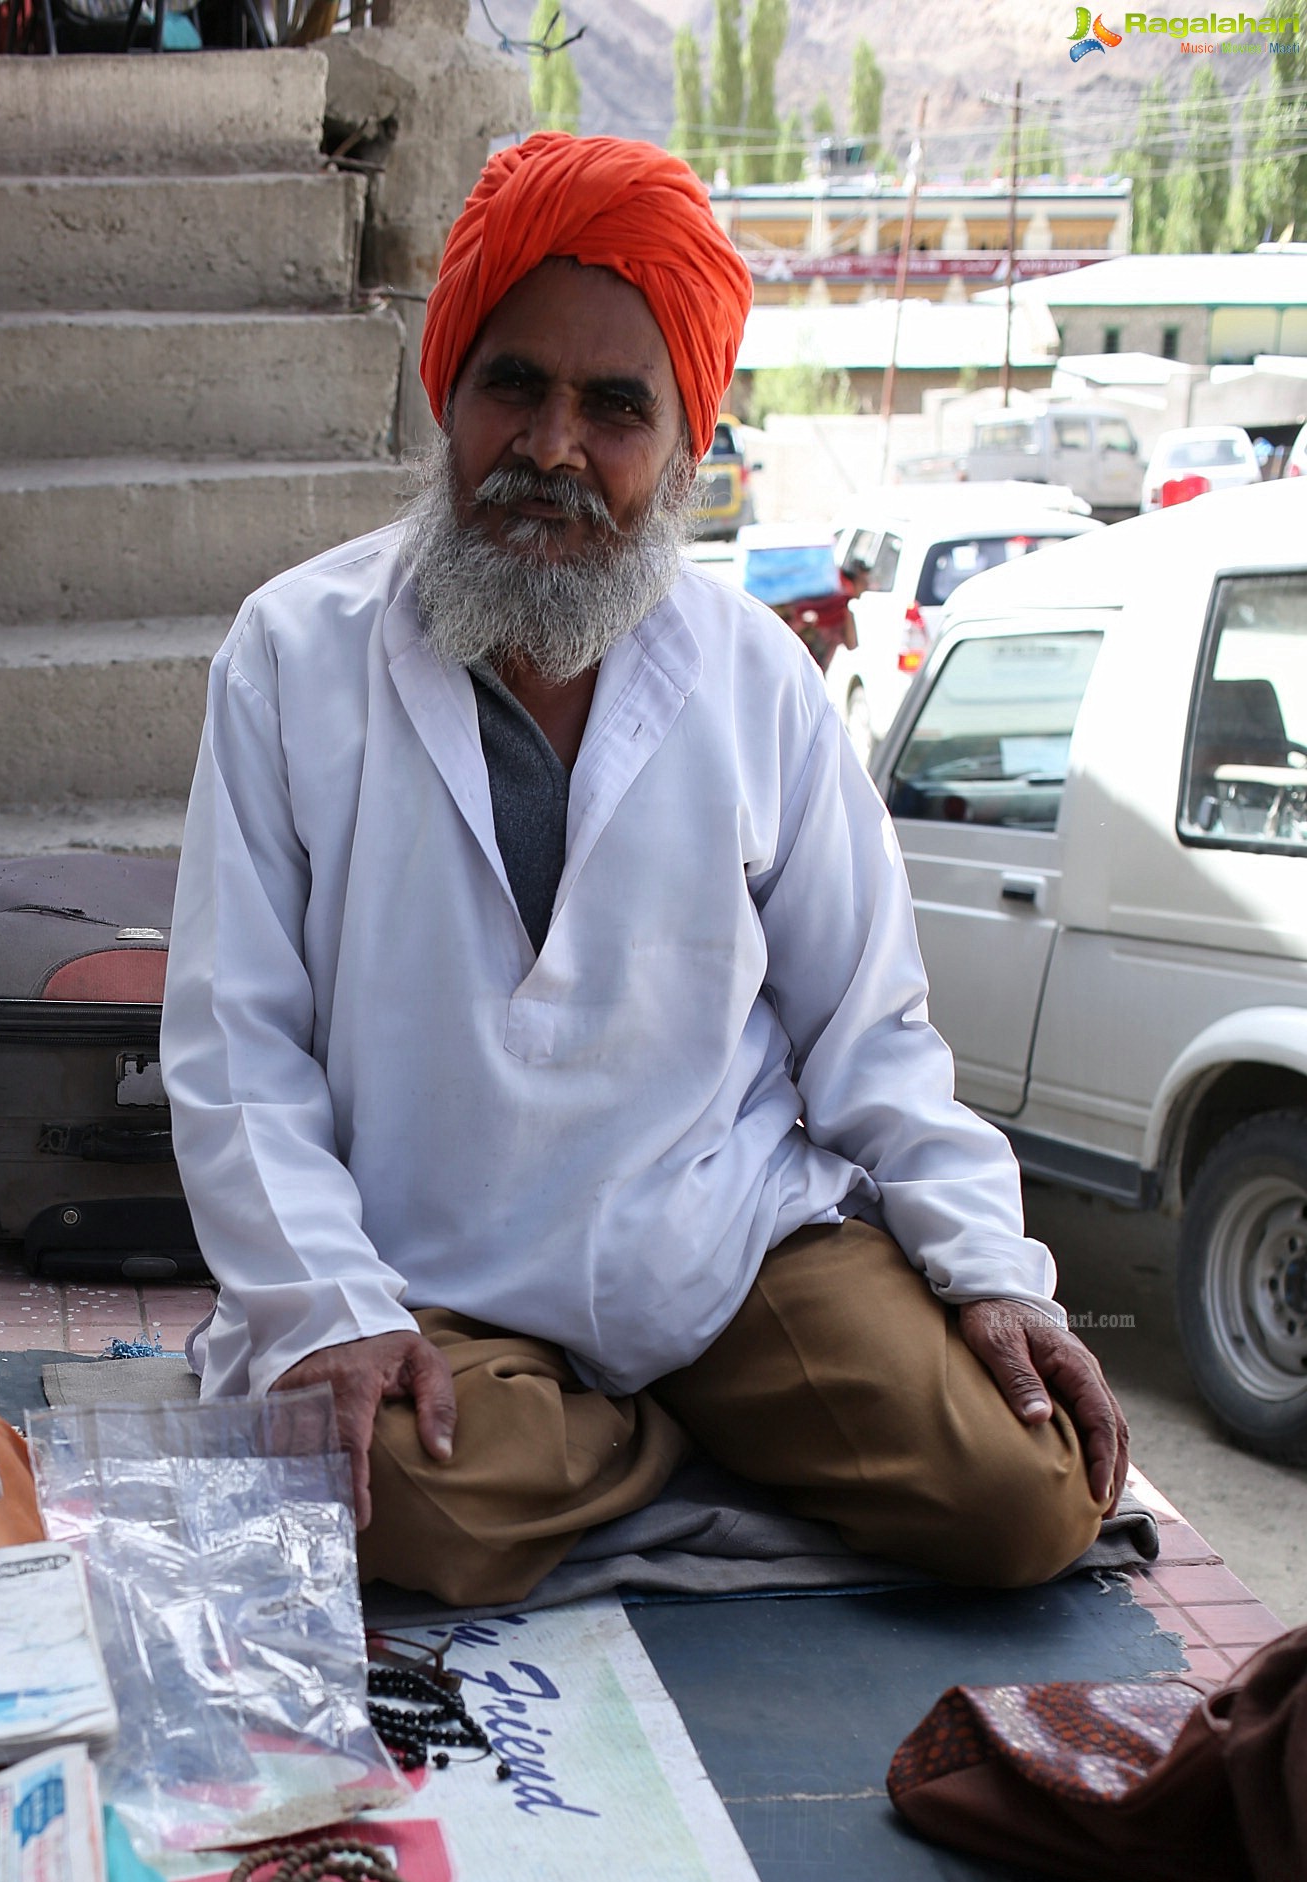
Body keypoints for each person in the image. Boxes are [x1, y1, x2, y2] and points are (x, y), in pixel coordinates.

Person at [160, 133, 1127, 1608]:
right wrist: (334, 1314)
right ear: (450, 398)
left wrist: (992, 1271)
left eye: (614, 407)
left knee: (1029, 1489)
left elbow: (872, 1036)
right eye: (515, 388)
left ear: (683, 447)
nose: (552, 449)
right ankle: (692, 1445)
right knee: (394, 1503)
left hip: (729, 1258)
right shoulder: (292, 658)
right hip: (441, 1276)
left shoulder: (759, 683)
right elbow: (236, 1052)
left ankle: (637, 1436)